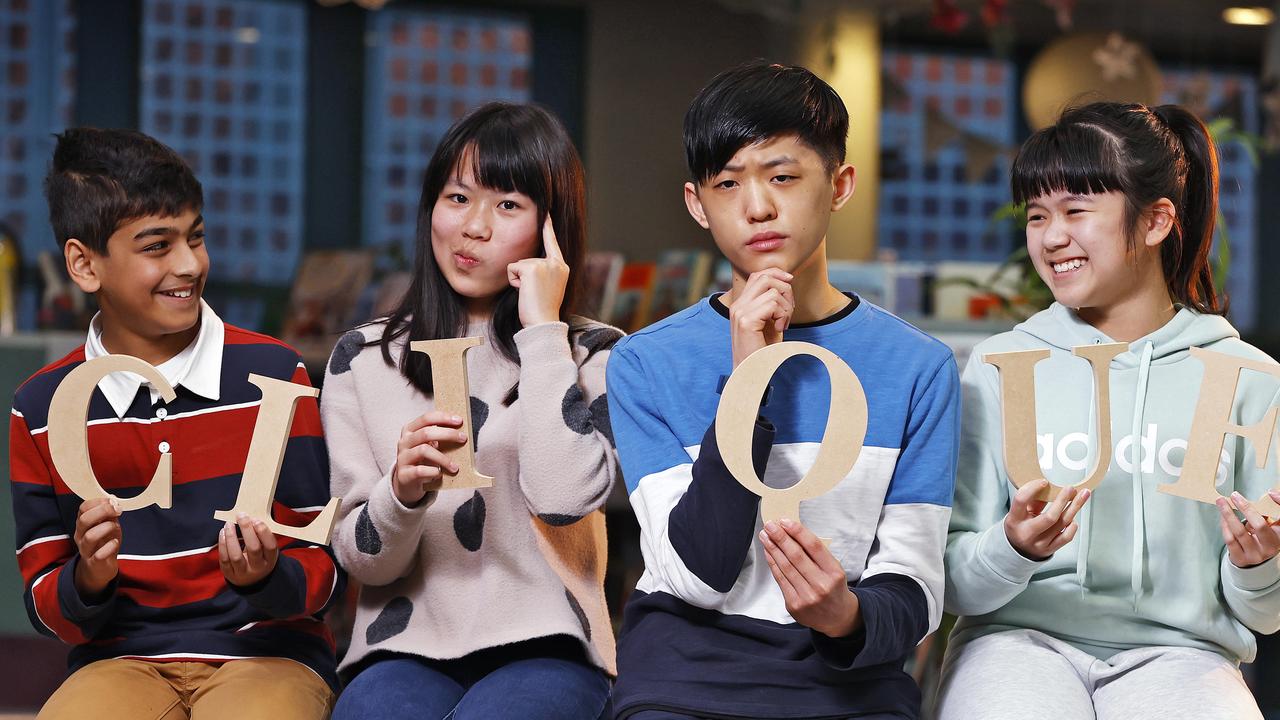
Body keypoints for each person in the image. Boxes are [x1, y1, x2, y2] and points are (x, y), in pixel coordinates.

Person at [606, 61, 959, 719]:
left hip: (849, 686)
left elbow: (915, 588)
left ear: (840, 184)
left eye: (783, 177)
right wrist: (749, 382)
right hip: (687, 682)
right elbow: (696, 576)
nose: (758, 207)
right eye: (728, 183)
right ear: (696, 204)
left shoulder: (919, 367)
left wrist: (846, 615)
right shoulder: (644, 363)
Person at [937, 101, 1280, 720]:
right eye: (1036, 214)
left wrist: (1258, 564)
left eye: (1075, 210)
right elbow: (953, 583)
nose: (1051, 236)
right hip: (1013, 643)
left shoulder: (1248, 378)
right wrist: (1013, 547)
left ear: (1154, 222)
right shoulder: (998, 366)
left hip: (1186, 654)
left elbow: (1265, 615)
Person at [10, 128, 341, 719]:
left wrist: (266, 576)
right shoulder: (41, 407)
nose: (189, 264)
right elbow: (44, 603)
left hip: (269, 658)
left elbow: (328, 572)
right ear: (84, 265)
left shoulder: (274, 372)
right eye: (157, 245)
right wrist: (88, 578)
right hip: (118, 664)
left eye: (197, 237)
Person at [323, 102, 619, 720]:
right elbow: (360, 561)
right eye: (457, 198)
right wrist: (400, 495)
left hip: (552, 643)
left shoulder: (594, 353)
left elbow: (563, 495)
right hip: (400, 648)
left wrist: (544, 331)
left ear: (550, 228)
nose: (473, 227)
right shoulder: (362, 359)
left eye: (507, 205)